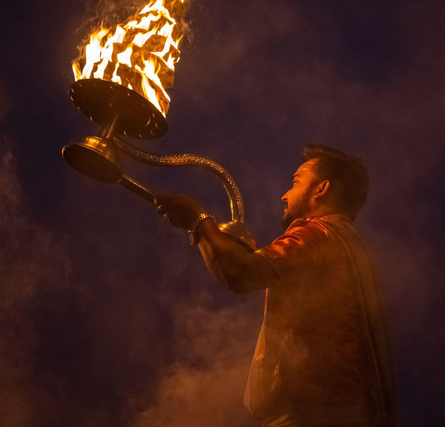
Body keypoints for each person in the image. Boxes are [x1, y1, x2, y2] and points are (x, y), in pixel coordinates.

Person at [156, 143, 397, 427]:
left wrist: (197, 221)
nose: (285, 195)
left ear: (321, 189)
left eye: (296, 182)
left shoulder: (319, 234)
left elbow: (239, 273)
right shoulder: (352, 246)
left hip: (310, 415)